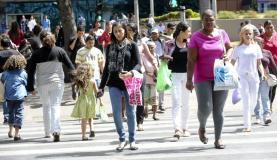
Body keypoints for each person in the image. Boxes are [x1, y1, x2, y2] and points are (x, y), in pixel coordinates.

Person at [186, 9, 232, 149]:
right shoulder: (196, 37)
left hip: (221, 75)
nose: (209, 22)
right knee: (205, 108)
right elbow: (191, 60)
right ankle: (202, 126)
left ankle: (218, 139)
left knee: (218, 110)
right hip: (202, 77)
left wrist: (228, 55)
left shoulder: (222, 33)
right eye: (206, 19)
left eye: (211, 19)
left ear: (215, 20)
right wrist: (189, 80)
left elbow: (230, 48)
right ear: (202, 20)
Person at [98, 22, 141, 151]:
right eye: (115, 31)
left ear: (125, 31)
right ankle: (122, 139)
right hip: (114, 83)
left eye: (120, 31)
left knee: (131, 112)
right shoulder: (109, 47)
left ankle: (132, 139)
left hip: (129, 82)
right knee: (117, 113)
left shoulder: (132, 45)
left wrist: (131, 73)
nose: (118, 33)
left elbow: (139, 64)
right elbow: (106, 69)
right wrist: (101, 87)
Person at [27, 31, 75, 142]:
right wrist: (75, 81)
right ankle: (56, 130)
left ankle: (47, 132)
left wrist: (30, 87)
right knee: (55, 106)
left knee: (46, 106)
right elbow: (71, 67)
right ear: (54, 40)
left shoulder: (36, 53)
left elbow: (31, 71)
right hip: (57, 82)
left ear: (42, 40)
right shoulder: (60, 51)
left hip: (42, 83)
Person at [231, 24, 265, 132]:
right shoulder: (238, 48)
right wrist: (230, 73)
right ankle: (247, 124)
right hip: (242, 77)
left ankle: (249, 116)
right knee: (246, 100)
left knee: (254, 100)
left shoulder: (256, 47)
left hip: (254, 77)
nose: (248, 35)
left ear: (252, 35)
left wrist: (263, 73)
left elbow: (259, 63)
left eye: (250, 33)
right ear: (242, 35)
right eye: (246, 33)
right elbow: (232, 62)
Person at [164, 22, 191, 139]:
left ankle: (185, 127)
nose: (190, 34)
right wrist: (165, 58)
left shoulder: (190, 44)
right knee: (176, 101)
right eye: (188, 31)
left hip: (188, 76)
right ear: (181, 31)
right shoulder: (169, 44)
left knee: (186, 103)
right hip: (174, 75)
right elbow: (164, 60)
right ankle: (177, 128)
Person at [75, 35, 104, 136]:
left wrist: (102, 73)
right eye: (89, 43)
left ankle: (91, 126)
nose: (91, 44)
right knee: (86, 102)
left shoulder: (97, 51)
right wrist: (79, 76)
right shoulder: (80, 51)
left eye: (92, 43)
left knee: (94, 100)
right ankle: (89, 126)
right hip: (84, 78)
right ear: (86, 42)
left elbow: (101, 62)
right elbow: (78, 64)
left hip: (95, 77)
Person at [1, 55, 27, 141]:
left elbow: (2, 80)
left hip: (9, 96)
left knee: (10, 113)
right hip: (20, 96)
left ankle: (10, 131)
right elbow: (25, 82)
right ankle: (17, 134)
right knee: (19, 113)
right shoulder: (22, 73)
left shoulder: (5, 73)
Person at [71, 63, 98, 140]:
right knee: (90, 115)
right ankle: (92, 129)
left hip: (82, 101)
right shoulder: (92, 81)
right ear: (89, 71)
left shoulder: (79, 81)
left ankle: (83, 135)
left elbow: (74, 92)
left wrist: (74, 93)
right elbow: (97, 93)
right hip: (91, 101)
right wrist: (100, 99)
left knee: (84, 119)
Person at [254, 37, 277, 125]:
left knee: (265, 97)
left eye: (260, 43)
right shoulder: (252, 53)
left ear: (263, 44)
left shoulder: (267, 53)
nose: (258, 44)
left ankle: (266, 116)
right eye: (256, 42)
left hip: (265, 77)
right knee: (256, 98)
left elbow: (273, 65)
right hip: (254, 78)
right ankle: (257, 116)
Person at [0, 35, 21, 124]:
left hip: (1, 75)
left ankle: (6, 116)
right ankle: (16, 114)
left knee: (3, 96)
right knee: (14, 94)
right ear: (10, 44)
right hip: (14, 75)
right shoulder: (15, 53)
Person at [260, 20, 277, 113]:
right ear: (264, 28)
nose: (270, 29)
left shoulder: (276, 36)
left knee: (273, 85)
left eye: (271, 27)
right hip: (265, 65)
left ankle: (270, 104)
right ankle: (265, 105)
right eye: (268, 28)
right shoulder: (260, 38)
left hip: (275, 65)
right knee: (266, 86)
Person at [142, 41, 159, 121]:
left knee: (155, 98)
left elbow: (158, 67)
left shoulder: (156, 56)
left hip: (154, 80)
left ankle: (154, 115)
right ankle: (145, 111)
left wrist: (156, 75)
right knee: (145, 98)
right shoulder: (143, 56)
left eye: (152, 47)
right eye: (149, 47)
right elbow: (142, 68)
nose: (150, 49)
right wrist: (151, 74)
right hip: (145, 79)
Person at [150, 28, 165, 112]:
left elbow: (171, 38)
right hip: (151, 66)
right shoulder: (147, 41)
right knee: (152, 86)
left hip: (161, 65)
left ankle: (161, 104)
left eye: (155, 33)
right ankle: (153, 104)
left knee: (161, 86)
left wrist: (162, 35)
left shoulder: (161, 41)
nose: (154, 35)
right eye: (153, 33)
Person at [68, 26, 86, 100]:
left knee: (81, 76)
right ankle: (73, 89)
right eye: (79, 33)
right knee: (74, 76)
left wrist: (83, 41)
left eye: (82, 33)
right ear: (77, 32)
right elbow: (71, 48)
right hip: (74, 60)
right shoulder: (72, 39)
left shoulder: (85, 39)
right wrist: (75, 39)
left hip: (82, 61)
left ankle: (79, 92)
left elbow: (87, 48)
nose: (80, 35)